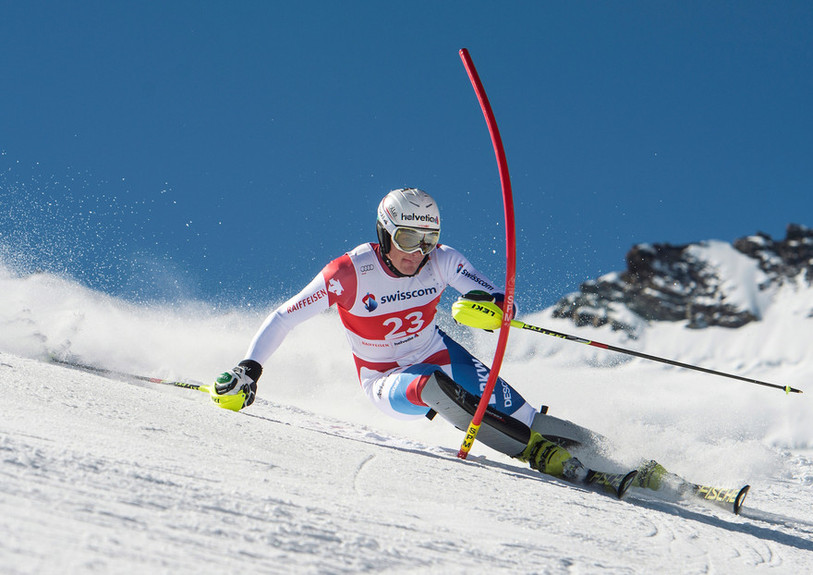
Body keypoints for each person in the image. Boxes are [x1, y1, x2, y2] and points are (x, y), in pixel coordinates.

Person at [211, 188, 646, 494]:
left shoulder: (442, 261)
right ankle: (540, 456)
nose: (417, 253)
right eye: (407, 239)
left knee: (525, 414)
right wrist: (250, 369)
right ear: (384, 233)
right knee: (432, 386)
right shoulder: (349, 273)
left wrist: (496, 309)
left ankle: (627, 464)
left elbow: (497, 297)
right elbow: (284, 317)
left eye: (428, 241)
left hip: (437, 351)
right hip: (385, 378)